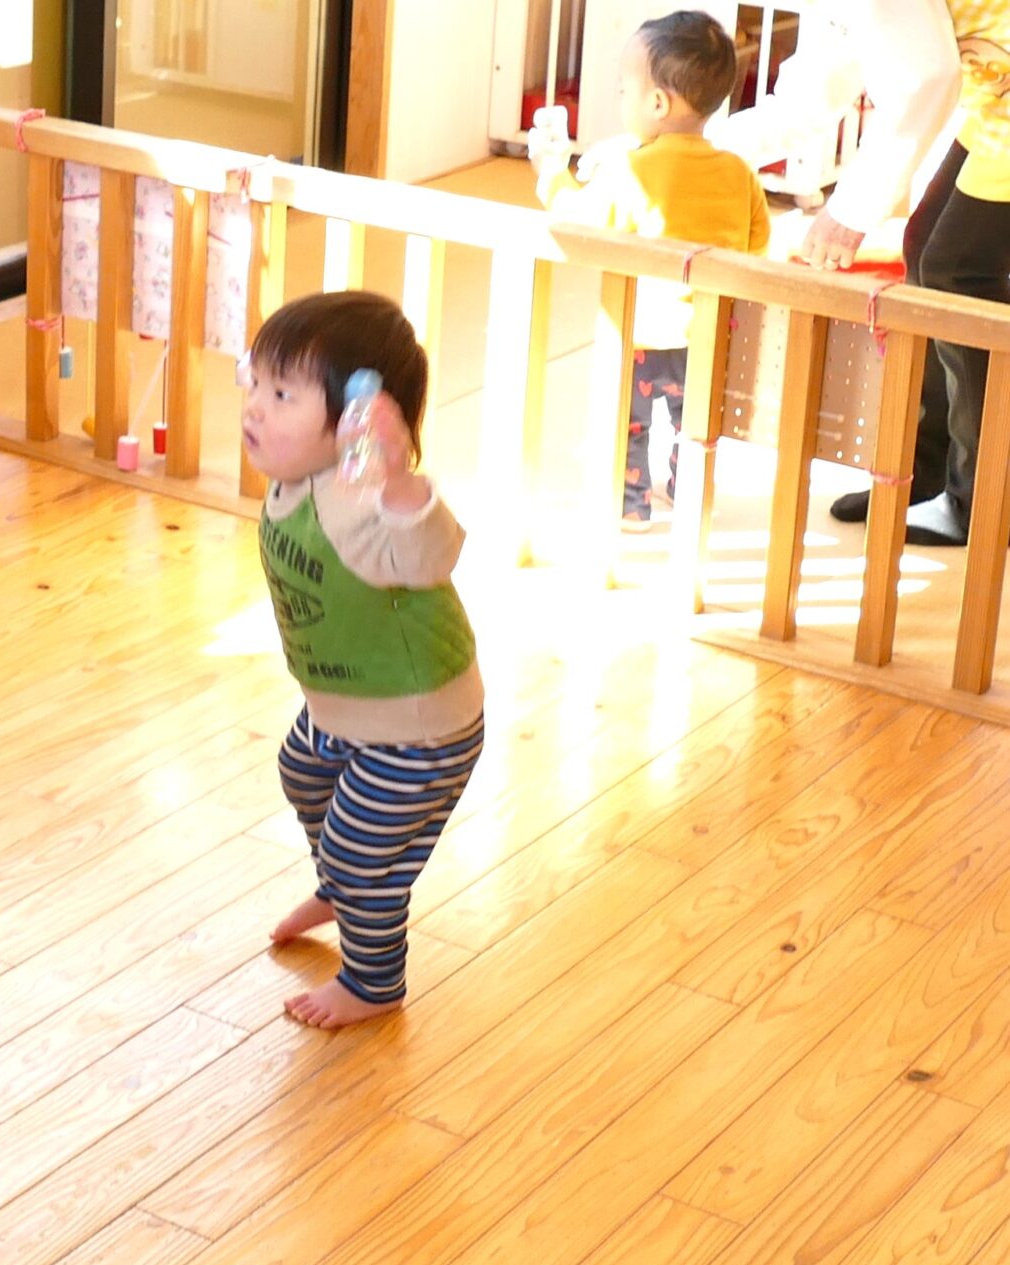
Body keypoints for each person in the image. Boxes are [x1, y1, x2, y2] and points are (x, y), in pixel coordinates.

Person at [241, 292, 487, 1030]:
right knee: (302, 772)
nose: (254, 407)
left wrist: (399, 481)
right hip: (342, 710)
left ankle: (373, 981)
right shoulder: (298, 479)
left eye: (282, 395)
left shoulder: (365, 499)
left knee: (360, 850)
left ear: (355, 419)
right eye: (256, 383)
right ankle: (341, 889)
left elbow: (430, 554)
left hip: (418, 728)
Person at [806, 1, 1010, 545]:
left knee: (958, 273)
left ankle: (979, 502)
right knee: (925, 250)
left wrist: (851, 211)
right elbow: (826, 69)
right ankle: (925, 473)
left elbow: (928, 79)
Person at [534, 10, 772, 530]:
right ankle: (690, 495)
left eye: (625, 90)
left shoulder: (630, 170)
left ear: (658, 103)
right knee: (696, 426)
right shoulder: (738, 173)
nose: (620, 99)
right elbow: (758, 242)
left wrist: (551, 177)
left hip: (640, 332)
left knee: (628, 421)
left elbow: (583, 222)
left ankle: (631, 504)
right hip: (708, 336)